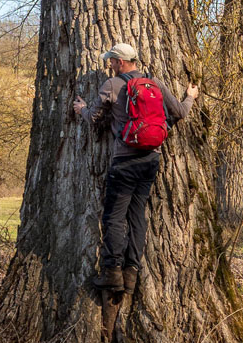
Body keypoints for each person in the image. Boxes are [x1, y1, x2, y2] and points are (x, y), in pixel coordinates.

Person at [73, 43, 199, 292]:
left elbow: (95, 119)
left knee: (114, 217)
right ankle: (131, 274)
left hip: (124, 161)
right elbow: (181, 113)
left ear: (120, 62)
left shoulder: (112, 85)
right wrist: (190, 97)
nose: (109, 65)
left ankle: (112, 273)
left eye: (111, 61)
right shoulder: (155, 83)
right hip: (151, 160)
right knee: (137, 216)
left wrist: (82, 109)